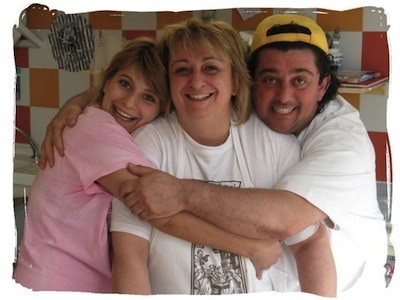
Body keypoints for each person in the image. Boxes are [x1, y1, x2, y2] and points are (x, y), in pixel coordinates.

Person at [38, 17, 336, 297]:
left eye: (211, 68)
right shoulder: (147, 143)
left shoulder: (274, 145)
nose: (196, 82)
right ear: (168, 82)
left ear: (235, 81)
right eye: (182, 69)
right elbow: (130, 257)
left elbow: (310, 243)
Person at [119, 14, 388, 295]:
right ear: (252, 82)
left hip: (350, 288)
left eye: (300, 80)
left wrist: (180, 193)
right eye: (270, 78)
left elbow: (290, 224)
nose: (284, 96)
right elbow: (130, 252)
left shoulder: (340, 142)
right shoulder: (153, 140)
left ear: (323, 86)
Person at [13, 37, 171, 292]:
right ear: (106, 82)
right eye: (124, 84)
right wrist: (248, 243)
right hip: (57, 284)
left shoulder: (108, 128)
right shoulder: (95, 128)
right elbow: (152, 202)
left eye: (148, 97)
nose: (129, 103)